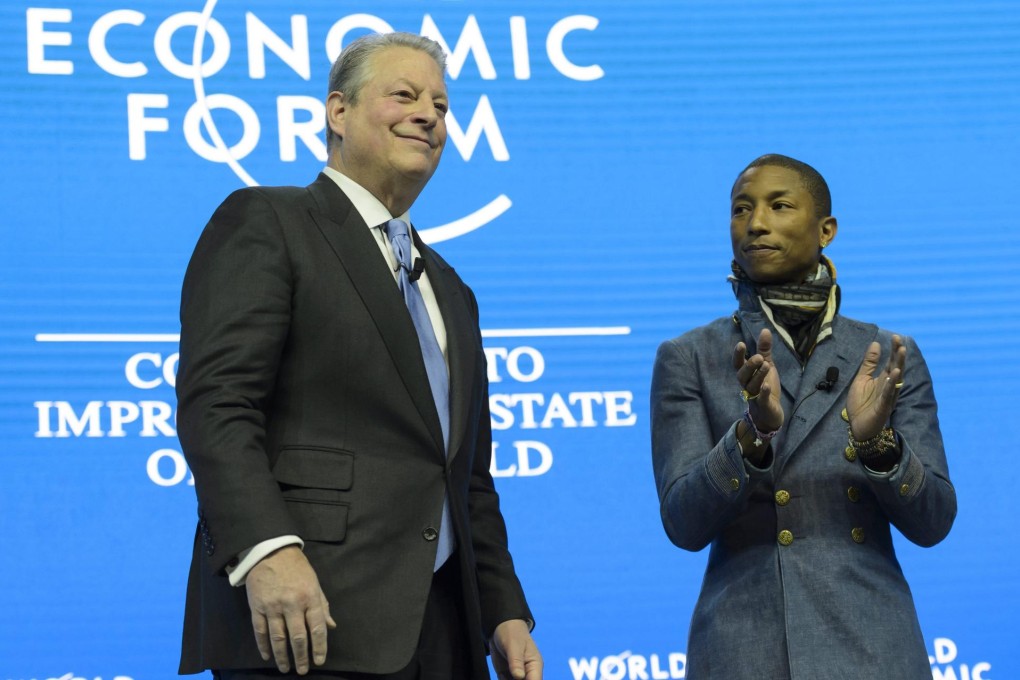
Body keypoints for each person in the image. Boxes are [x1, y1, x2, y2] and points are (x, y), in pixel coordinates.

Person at [175, 32, 542, 680]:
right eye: (404, 94)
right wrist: (266, 551)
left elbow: (467, 476)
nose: (429, 114)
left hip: (446, 638)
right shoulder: (267, 221)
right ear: (337, 112)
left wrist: (503, 612)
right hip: (306, 621)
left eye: (441, 104)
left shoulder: (451, 288)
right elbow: (218, 406)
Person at [650, 154, 956, 678]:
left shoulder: (887, 355)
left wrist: (878, 446)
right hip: (747, 646)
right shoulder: (691, 357)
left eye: (779, 205)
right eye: (741, 209)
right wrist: (751, 435)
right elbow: (684, 523)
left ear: (826, 230)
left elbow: (933, 522)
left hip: (874, 646)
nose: (756, 223)